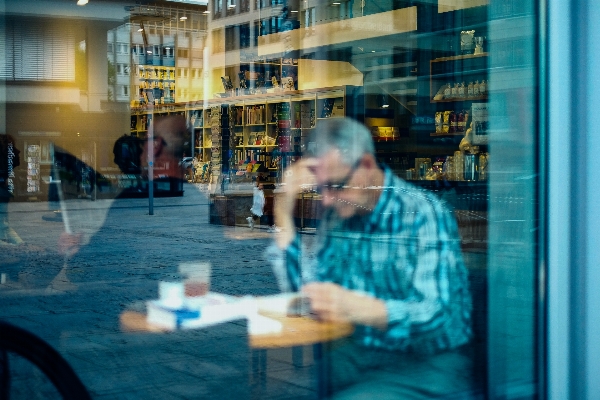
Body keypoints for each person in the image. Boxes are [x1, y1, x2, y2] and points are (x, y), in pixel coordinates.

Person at [267, 118, 473, 399]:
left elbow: (435, 315)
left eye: (336, 185)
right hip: (359, 354)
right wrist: (282, 209)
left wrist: (357, 308)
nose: (326, 200)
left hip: (427, 363)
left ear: (365, 166)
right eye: (321, 188)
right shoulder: (340, 213)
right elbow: (307, 294)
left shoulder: (422, 212)